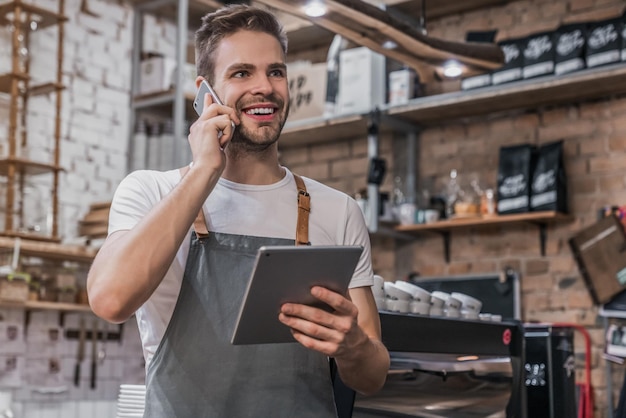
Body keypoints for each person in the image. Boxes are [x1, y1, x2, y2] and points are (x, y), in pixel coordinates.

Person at [87, 4, 390, 417]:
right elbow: (109, 299)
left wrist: (354, 346)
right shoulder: (150, 191)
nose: (264, 87)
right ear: (204, 92)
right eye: (241, 73)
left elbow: (371, 377)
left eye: (276, 72)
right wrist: (204, 171)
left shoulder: (337, 211)